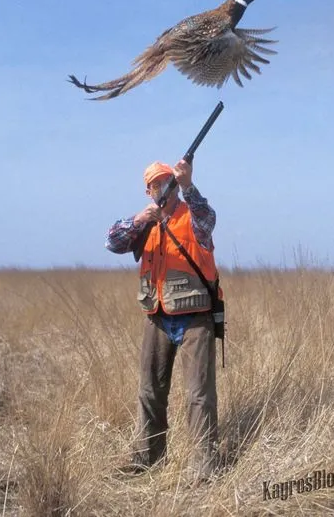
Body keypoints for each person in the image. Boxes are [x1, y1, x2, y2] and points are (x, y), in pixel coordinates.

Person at [106, 159, 221, 481]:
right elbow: (112, 242)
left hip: (195, 318)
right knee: (149, 391)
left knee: (199, 394)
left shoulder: (194, 217)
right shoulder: (143, 224)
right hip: (156, 317)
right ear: (148, 190)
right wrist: (140, 218)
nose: (163, 187)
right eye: (157, 184)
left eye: (168, 181)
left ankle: (204, 467)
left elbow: (208, 218)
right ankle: (147, 459)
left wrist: (188, 184)